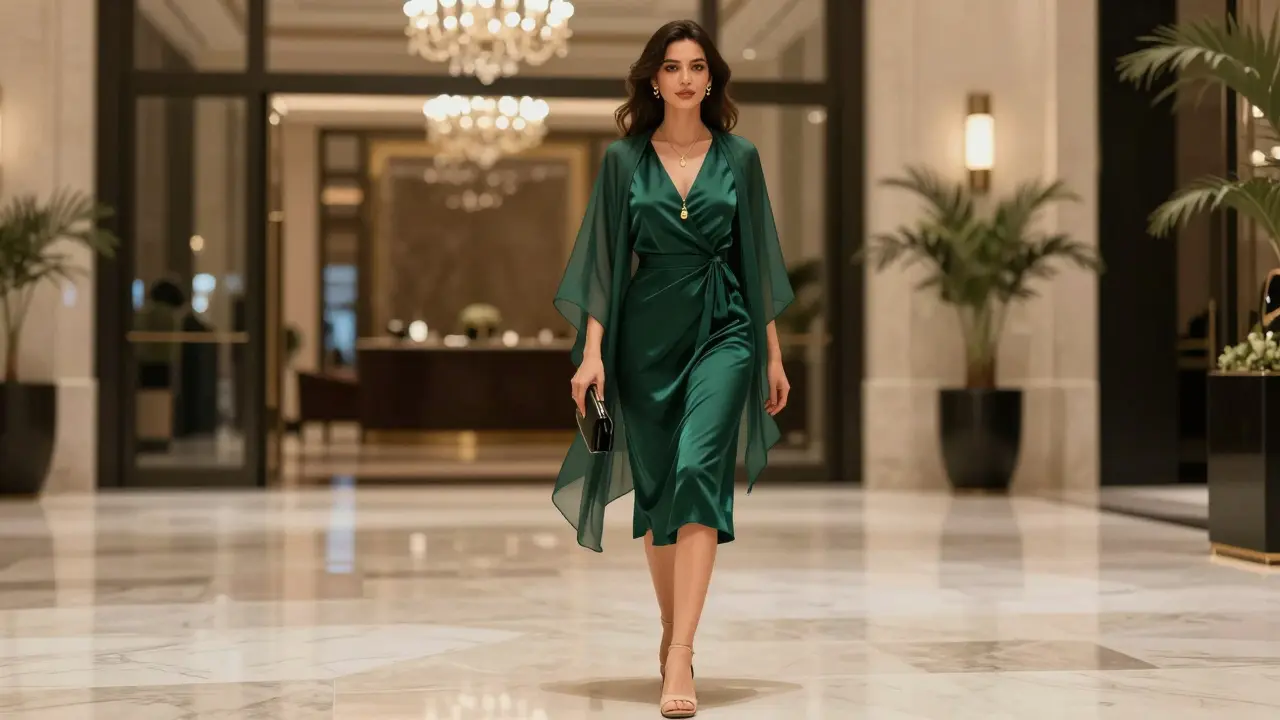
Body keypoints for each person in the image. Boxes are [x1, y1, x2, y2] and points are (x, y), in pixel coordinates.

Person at [551, 19, 794, 718]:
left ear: (710, 79)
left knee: (696, 471)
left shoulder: (740, 157)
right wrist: (593, 352)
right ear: (653, 80)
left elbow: (758, 258)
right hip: (644, 336)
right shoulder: (622, 160)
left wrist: (773, 353)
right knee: (659, 494)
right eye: (672, 66)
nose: (685, 77)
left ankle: (682, 654)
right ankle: (671, 631)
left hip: (726, 328)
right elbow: (602, 262)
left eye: (696, 66)